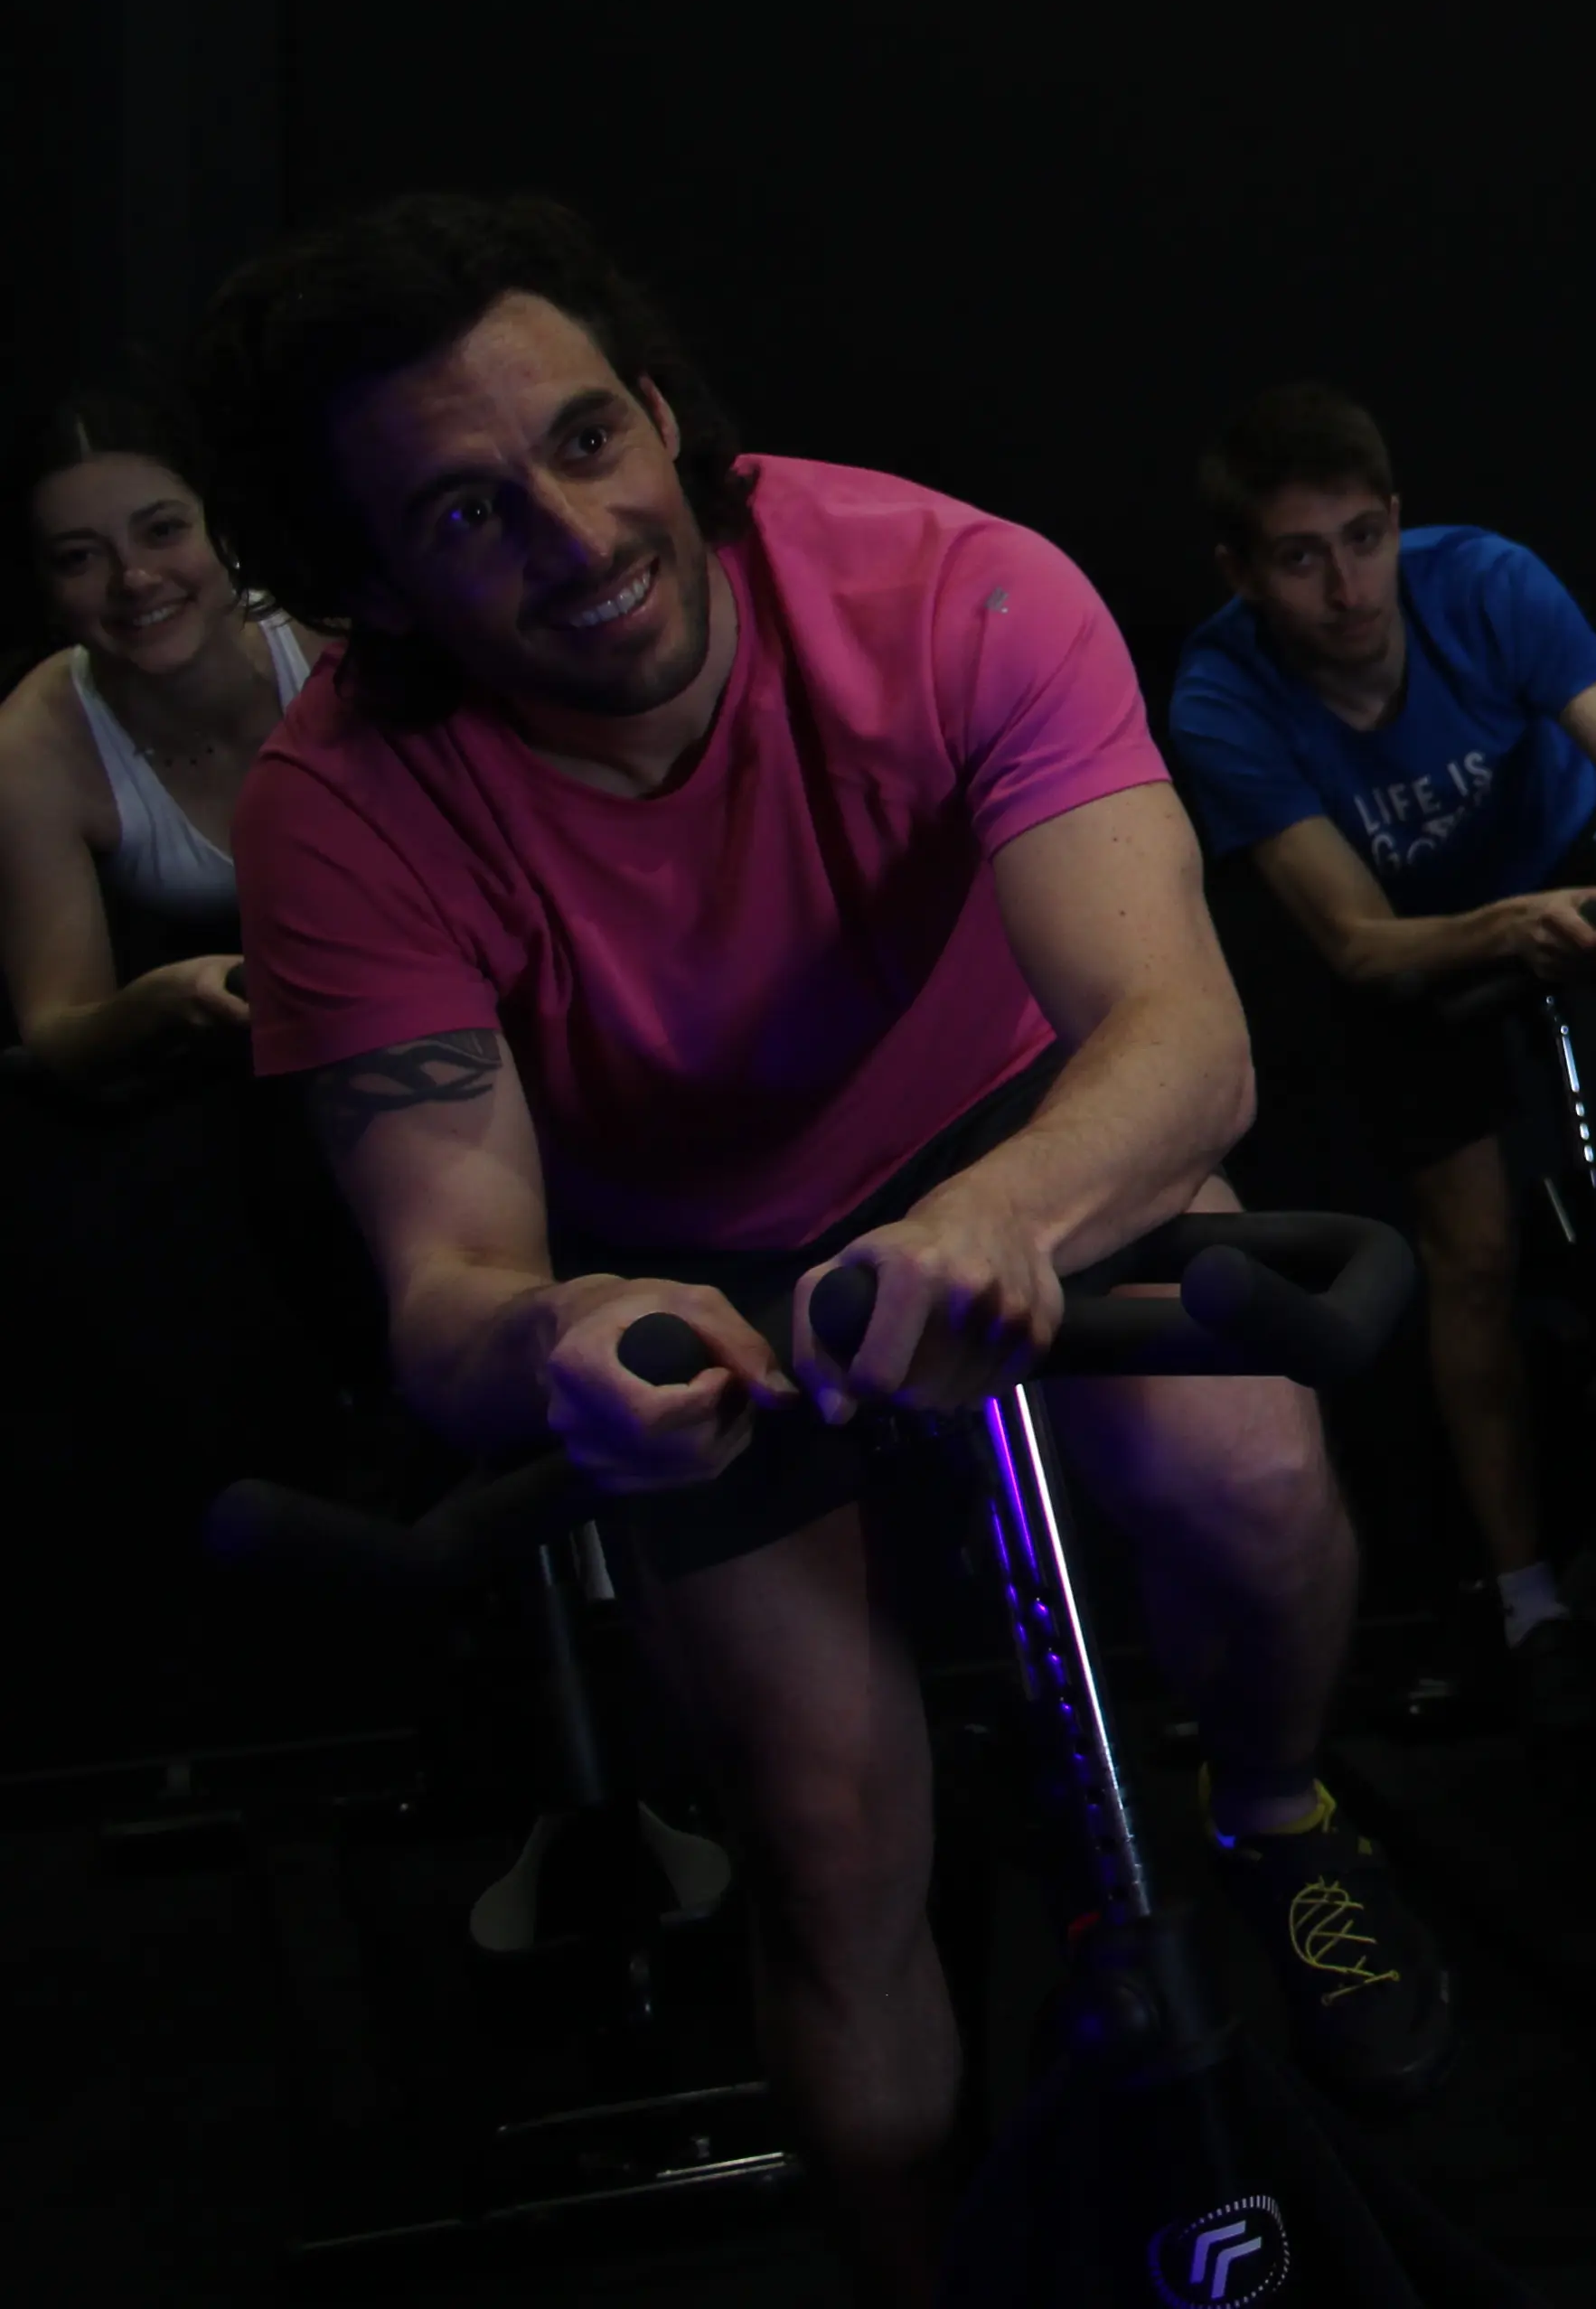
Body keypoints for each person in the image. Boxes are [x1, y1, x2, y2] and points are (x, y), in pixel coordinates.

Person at [195, 197, 1450, 2306]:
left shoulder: (952, 586)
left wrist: (988, 1214)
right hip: (666, 1246)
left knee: (1239, 1468)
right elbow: (449, 1282)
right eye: (468, 511)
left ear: (661, 409)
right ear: (373, 578)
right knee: (831, 1817)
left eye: (592, 440)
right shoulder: (339, 803)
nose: (580, 530)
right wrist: (566, 1340)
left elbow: (1180, 1038)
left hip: (1000, 1126)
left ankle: (1269, 1801)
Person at [1165, 380, 1596, 1719]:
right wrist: (1506, 930)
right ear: (1243, 571)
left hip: (1565, 858)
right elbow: (1355, 943)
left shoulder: (1488, 583)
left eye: (1365, 537)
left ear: (1398, 521)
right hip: (1423, 939)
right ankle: (1527, 1598)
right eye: (1300, 556)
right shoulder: (1222, 696)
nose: (1347, 585)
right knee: (1476, 1253)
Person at [0, 390, 326, 1076]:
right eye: (78, 558)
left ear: (223, 527)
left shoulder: (332, 636)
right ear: (44, 589)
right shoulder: (28, 750)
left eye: (162, 531)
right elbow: (55, 1030)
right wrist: (162, 999)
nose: (135, 579)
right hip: (223, 1076)